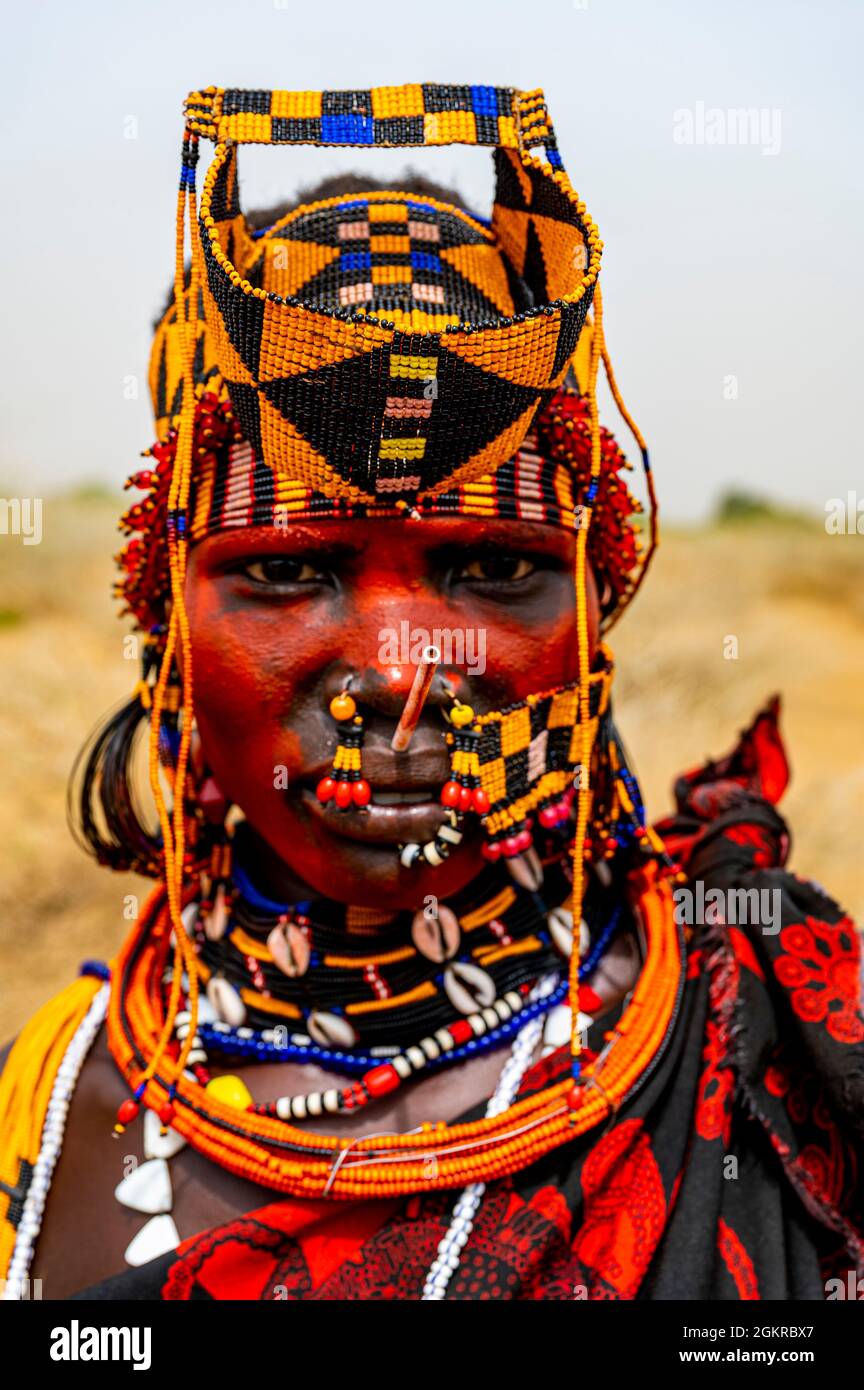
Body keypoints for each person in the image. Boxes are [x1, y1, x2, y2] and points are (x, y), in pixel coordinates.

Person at [1, 82, 861, 1302]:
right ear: (167, 633)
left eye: (498, 568)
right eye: (289, 569)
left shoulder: (782, 1038)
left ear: (593, 621)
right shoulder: (37, 1109)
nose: (406, 678)